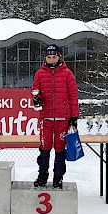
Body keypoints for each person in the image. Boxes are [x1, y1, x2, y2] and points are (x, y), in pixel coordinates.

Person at [31, 44, 79, 189]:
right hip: (45, 117)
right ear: (45, 58)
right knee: (45, 148)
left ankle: (58, 177)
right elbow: (35, 90)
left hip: (62, 118)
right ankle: (42, 175)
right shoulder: (40, 73)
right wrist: (36, 98)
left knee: (59, 149)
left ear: (59, 57)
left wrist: (74, 116)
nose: (51, 59)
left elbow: (73, 95)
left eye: (54, 57)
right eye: (49, 57)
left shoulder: (67, 73)